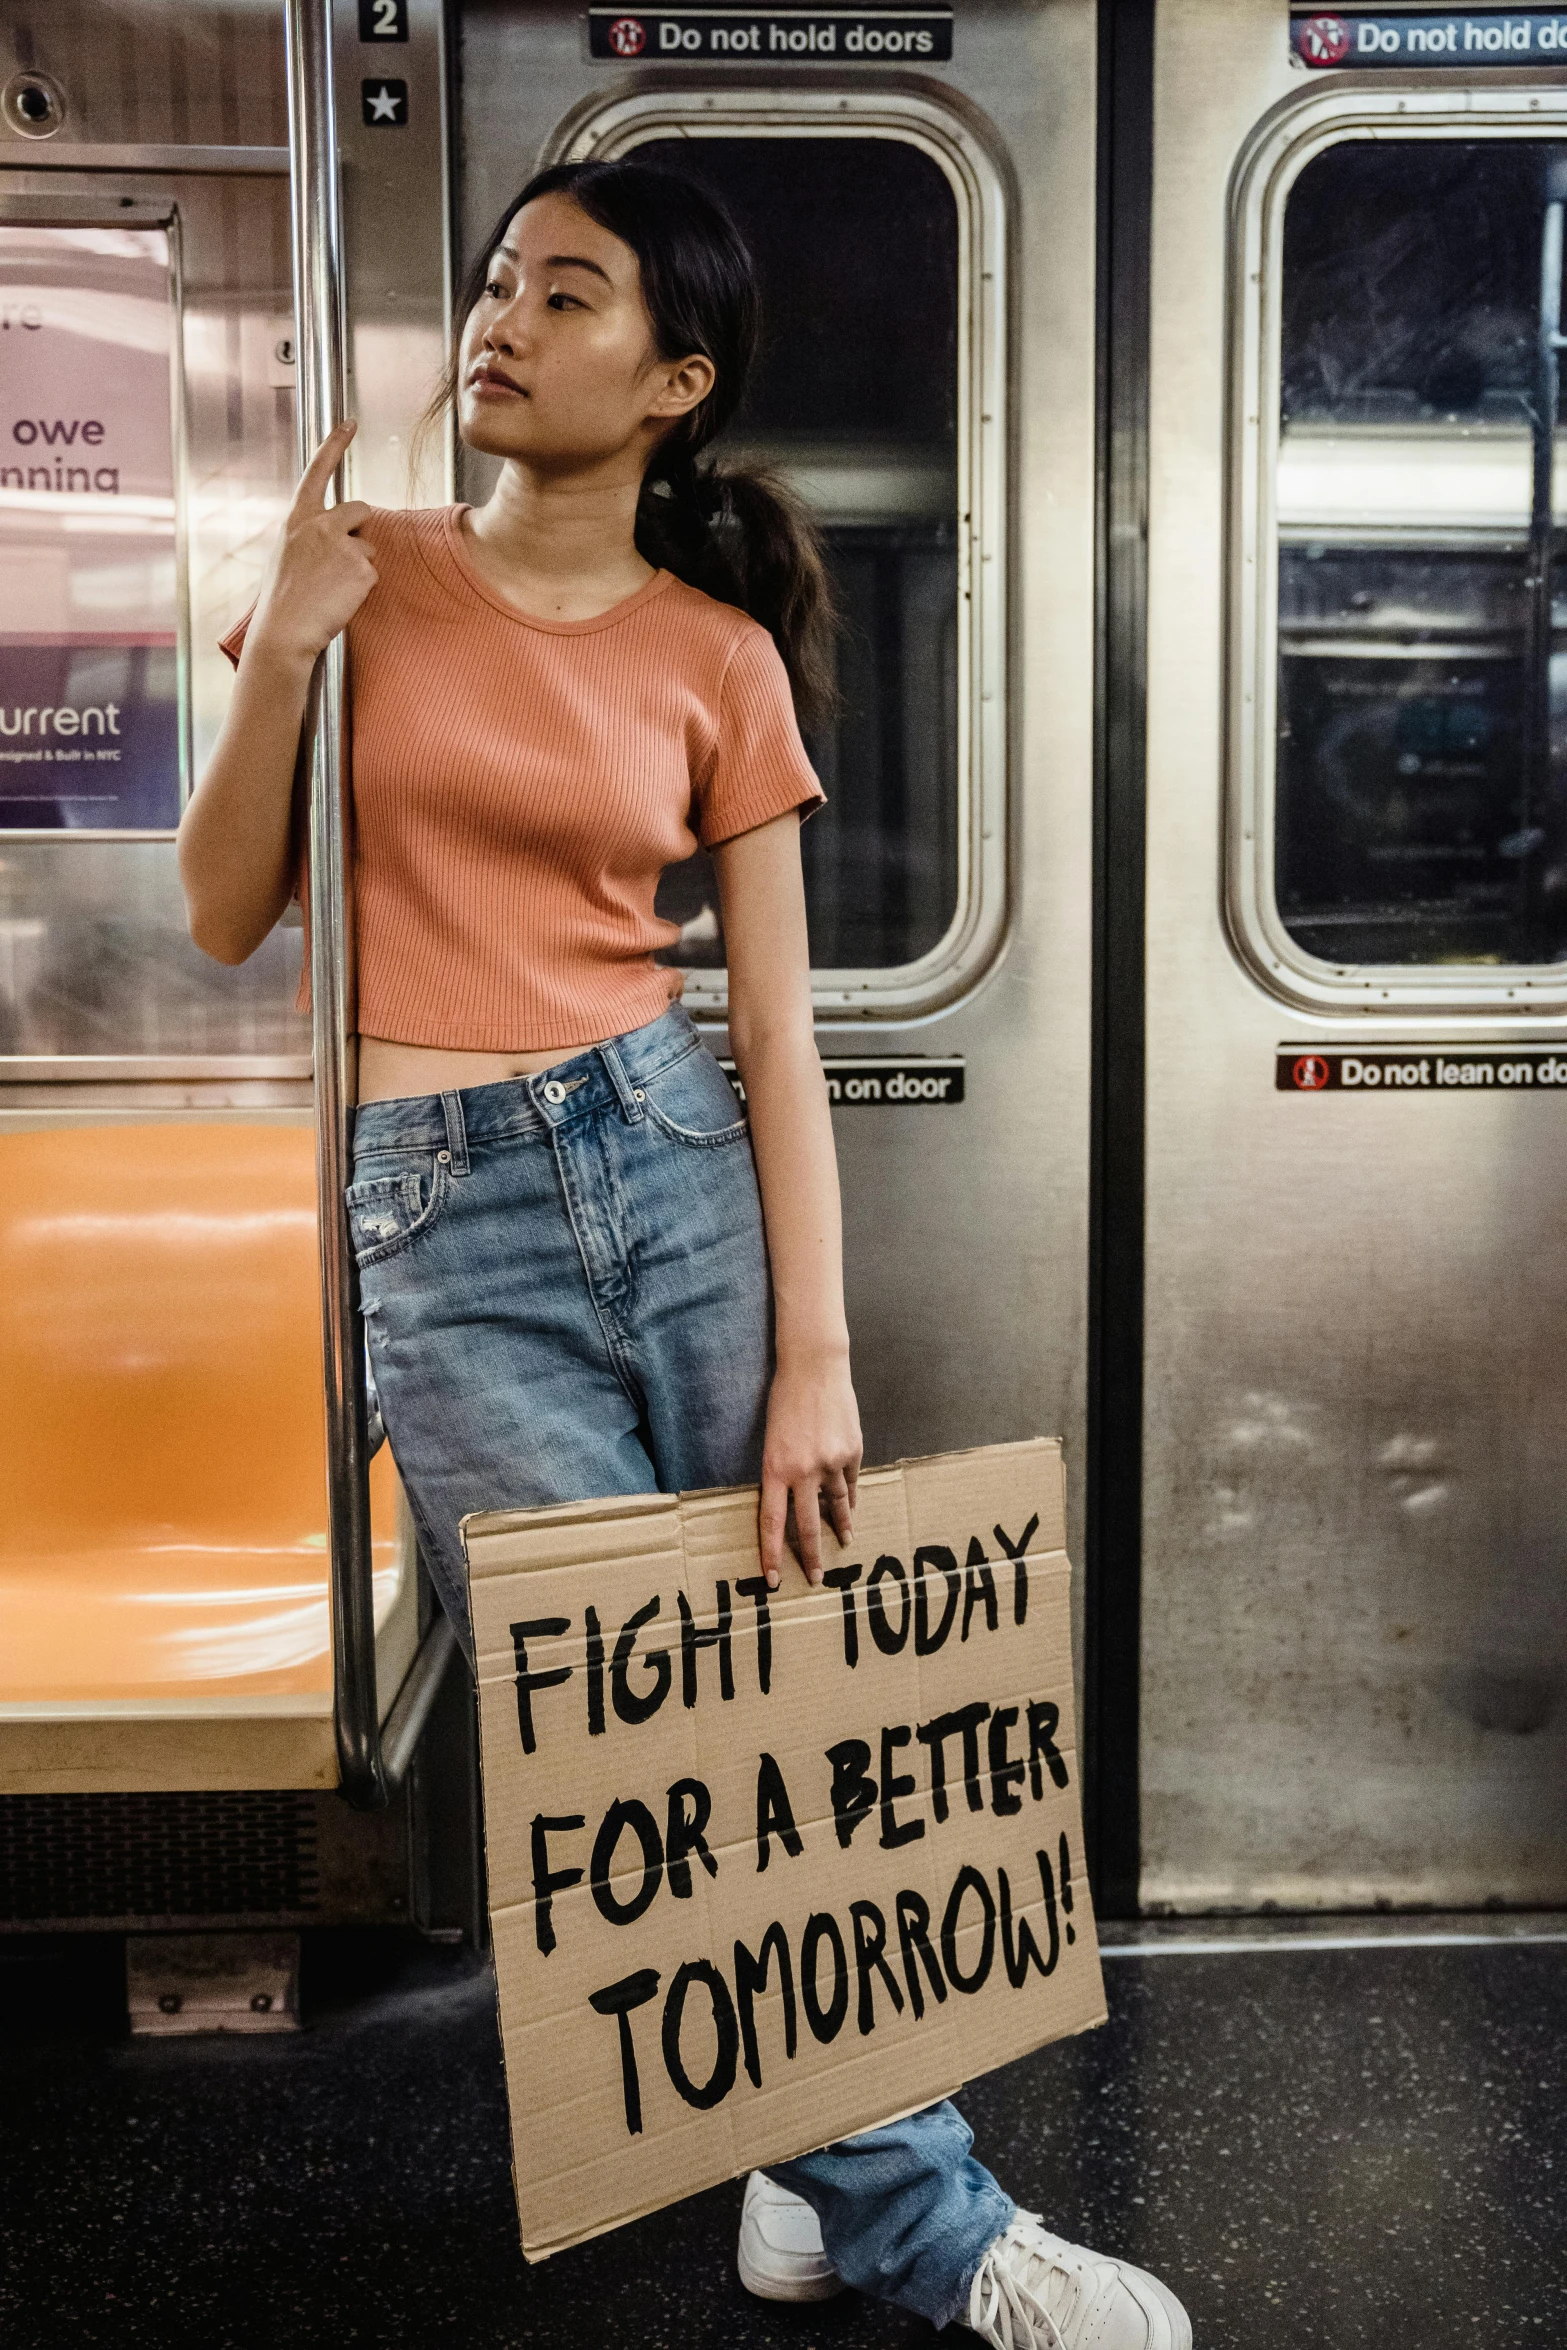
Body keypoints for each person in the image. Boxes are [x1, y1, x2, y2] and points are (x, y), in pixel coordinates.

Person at [177, 157, 1189, 2350]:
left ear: (676, 381)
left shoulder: (715, 654)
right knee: (613, 1735)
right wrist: (287, 631)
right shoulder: (373, 580)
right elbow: (225, 908)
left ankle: (804, 2168)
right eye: (494, 283)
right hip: (448, 1213)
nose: (504, 317)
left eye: (570, 290)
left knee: (776, 1696)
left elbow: (785, 1035)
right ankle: (953, 2232)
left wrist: (816, 1351)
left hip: (673, 1154)